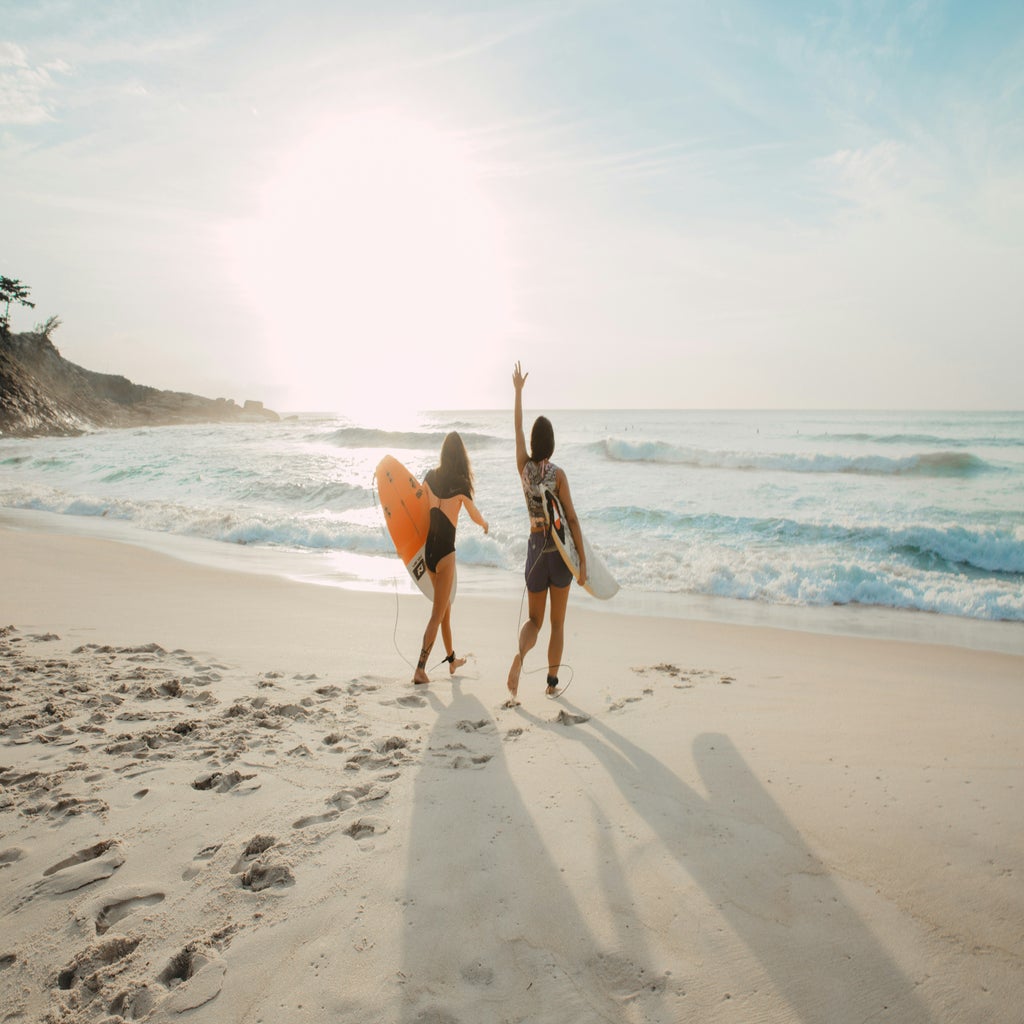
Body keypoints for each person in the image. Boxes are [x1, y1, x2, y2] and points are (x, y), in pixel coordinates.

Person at [506, 361, 587, 704]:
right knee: (557, 623)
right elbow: (571, 517)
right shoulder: (558, 474)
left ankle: (520, 657)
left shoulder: (524, 471)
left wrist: (518, 392)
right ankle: (552, 682)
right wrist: (581, 560)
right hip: (559, 552)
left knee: (535, 620)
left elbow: (518, 430)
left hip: (536, 546)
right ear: (552, 444)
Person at [412, 431, 489, 685]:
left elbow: (419, 506)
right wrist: (485, 524)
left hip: (430, 553)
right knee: (438, 613)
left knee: (445, 610)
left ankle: (452, 660)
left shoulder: (430, 477)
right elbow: (474, 514)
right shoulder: (461, 485)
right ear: (461, 456)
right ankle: (420, 668)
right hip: (446, 555)